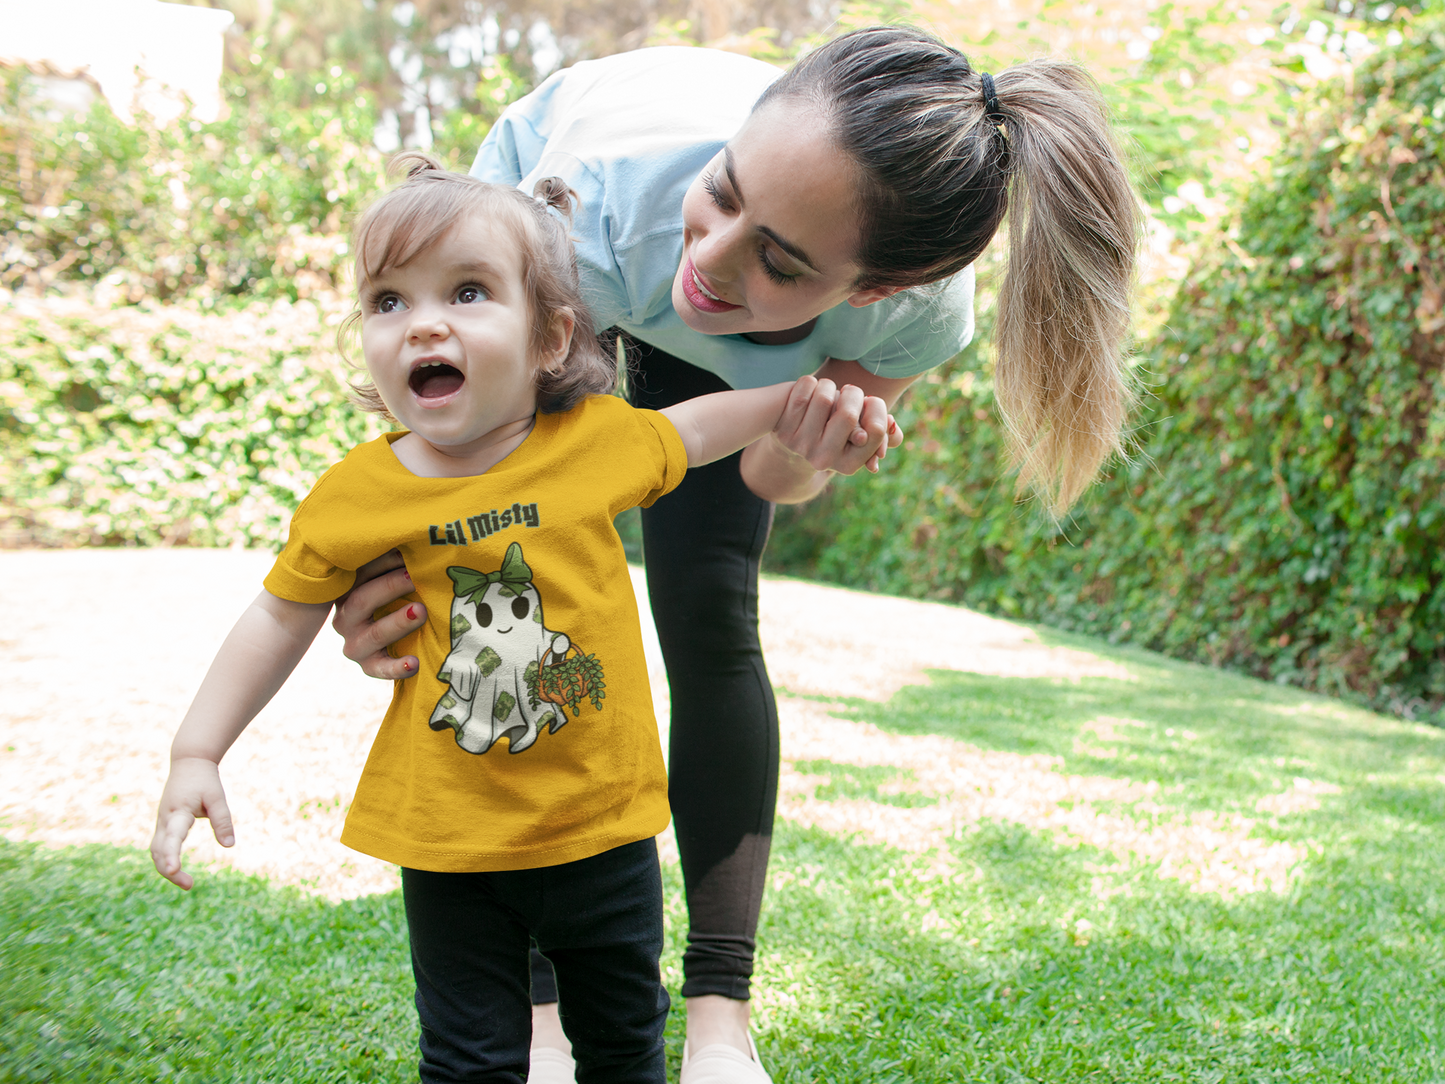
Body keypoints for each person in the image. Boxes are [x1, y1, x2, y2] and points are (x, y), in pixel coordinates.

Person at [329, 25, 1141, 1084]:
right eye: (724, 192)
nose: (712, 257)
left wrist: (811, 448)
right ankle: (538, 1019)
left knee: (709, 611)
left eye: (780, 259)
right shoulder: (581, 210)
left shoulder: (911, 314)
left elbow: (770, 479)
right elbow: (449, 466)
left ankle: (719, 1019)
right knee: (504, 603)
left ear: (872, 288)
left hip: (703, 321)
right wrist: (382, 585)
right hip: (589, 251)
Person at [148, 156, 897, 1084]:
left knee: (623, 1043)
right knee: (466, 1059)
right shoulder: (355, 494)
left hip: (603, 830)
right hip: (450, 845)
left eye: (467, 292)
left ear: (549, 337)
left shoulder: (596, 442)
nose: (423, 323)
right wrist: (197, 749)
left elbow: (702, 426)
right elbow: (277, 615)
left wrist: (805, 402)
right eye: (387, 300)